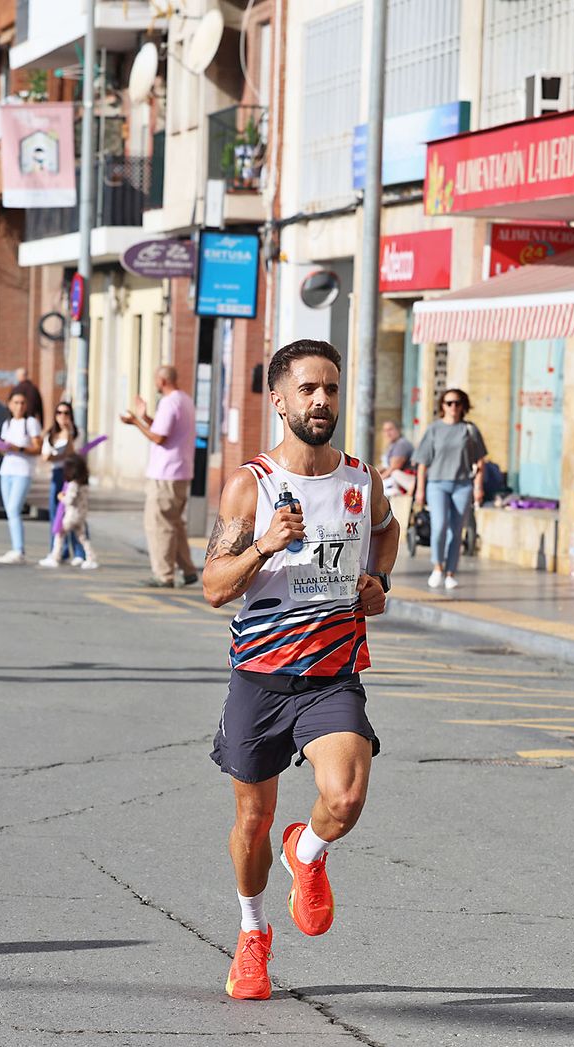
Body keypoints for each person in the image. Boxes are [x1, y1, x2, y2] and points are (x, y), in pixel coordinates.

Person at [202, 338, 397, 1002]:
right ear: (279, 400)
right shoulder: (249, 484)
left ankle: (307, 853)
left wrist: (379, 581)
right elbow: (214, 586)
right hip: (259, 676)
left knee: (344, 795)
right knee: (252, 819)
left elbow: (388, 530)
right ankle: (253, 934)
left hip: (331, 673)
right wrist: (264, 543)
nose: (322, 400)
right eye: (309, 389)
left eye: (332, 389)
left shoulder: (361, 480)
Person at [120, 365, 198, 588]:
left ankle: (163, 574)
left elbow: (158, 438)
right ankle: (188, 570)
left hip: (165, 472)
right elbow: (164, 429)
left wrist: (135, 421)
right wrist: (145, 416)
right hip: (182, 471)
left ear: (162, 381)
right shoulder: (185, 400)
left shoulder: (168, 402)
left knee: (159, 525)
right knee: (174, 524)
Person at [413, 389, 488, 591]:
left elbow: (480, 460)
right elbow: (422, 463)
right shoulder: (434, 429)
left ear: (463, 406)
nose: (453, 407)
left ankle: (451, 572)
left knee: (456, 531)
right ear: (442, 406)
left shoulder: (469, 430)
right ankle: (438, 566)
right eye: (449, 403)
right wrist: (420, 489)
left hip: (462, 484)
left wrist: (478, 487)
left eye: (457, 403)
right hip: (437, 483)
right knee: (439, 526)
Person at [0, 391, 43, 564]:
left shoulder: (30, 423)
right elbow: (5, 447)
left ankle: (19, 550)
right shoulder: (7, 424)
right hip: (6, 470)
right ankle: (16, 547)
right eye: (16, 402)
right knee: (10, 511)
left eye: (23, 403)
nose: (19, 406)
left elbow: (38, 448)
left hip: (23, 471)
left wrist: (19, 449)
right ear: (9, 404)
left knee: (15, 509)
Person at [41, 401, 87, 562]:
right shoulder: (50, 435)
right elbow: (46, 457)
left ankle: (80, 552)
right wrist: (61, 455)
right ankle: (59, 551)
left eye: (66, 413)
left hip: (72, 476)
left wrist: (67, 436)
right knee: (56, 513)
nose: (63, 416)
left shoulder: (77, 432)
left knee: (75, 514)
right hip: (57, 474)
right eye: (59, 413)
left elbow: (73, 454)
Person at [40, 455, 99, 569]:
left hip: (71, 515)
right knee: (82, 537)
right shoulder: (84, 484)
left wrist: (61, 497)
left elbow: (69, 500)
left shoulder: (73, 484)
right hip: (81, 515)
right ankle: (91, 557)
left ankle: (55, 557)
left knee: (59, 535)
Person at [377, 420, 415, 496]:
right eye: (385, 430)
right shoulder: (392, 445)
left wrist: (377, 480)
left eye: (390, 429)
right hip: (398, 482)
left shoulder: (401, 444)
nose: (387, 433)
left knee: (394, 474)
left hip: (410, 481)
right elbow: (384, 465)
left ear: (398, 430)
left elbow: (394, 467)